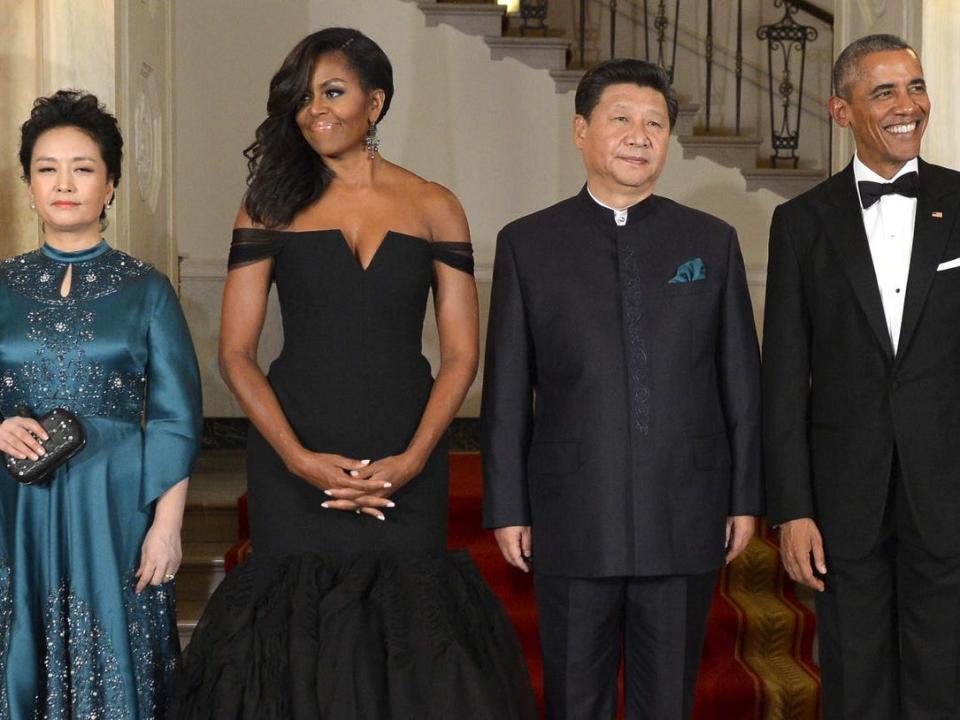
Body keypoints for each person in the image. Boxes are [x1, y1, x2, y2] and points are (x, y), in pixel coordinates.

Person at [171, 28, 535, 719]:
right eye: (303, 98)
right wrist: (301, 460)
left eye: (332, 92)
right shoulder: (268, 203)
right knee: (296, 630)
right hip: (294, 442)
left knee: (404, 626)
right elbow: (235, 354)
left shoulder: (435, 205)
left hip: (407, 444)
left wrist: (415, 458)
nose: (315, 111)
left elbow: (461, 355)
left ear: (376, 103)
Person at [481, 58, 762, 720]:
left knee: (667, 702)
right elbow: (506, 392)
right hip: (574, 511)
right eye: (622, 120)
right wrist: (508, 504)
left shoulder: (710, 243)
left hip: (684, 507)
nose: (640, 136)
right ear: (581, 131)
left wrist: (745, 496)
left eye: (656, 124)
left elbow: (741, 384)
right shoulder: (529, 244)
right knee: (575, 701)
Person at [763, 34, 960, 719]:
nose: (909, 106)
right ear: (841, 112)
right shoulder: (800, 224)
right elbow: (783, 379)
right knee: (855, 682)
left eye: (915, 87)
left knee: (946, 679)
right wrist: (792, 508)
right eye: (884, 92)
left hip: (949, 491)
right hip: (845, 500)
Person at [0, 90, 202, 719]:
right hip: (15, 505)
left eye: (83, 169)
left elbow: (175, 418)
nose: (65, 184)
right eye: (47, 169)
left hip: (117, 506)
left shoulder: (148, 290)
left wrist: (167, 528)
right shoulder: (1, 284)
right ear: (29, 184)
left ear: (110, 185)